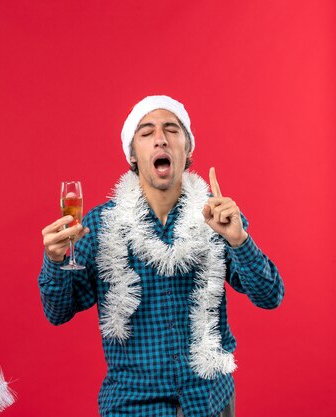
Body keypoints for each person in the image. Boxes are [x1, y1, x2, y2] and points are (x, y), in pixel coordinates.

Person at [38, 95, 284, 417]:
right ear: (133, 153)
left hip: (210, 401)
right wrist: (56, 262)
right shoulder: (99, 225)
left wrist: (239, 240)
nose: (160, 139)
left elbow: (270, 296)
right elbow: (58, 312)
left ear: (188, 149)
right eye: (146, 132)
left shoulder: (218, 215)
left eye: (172, 129)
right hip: (133, 406)